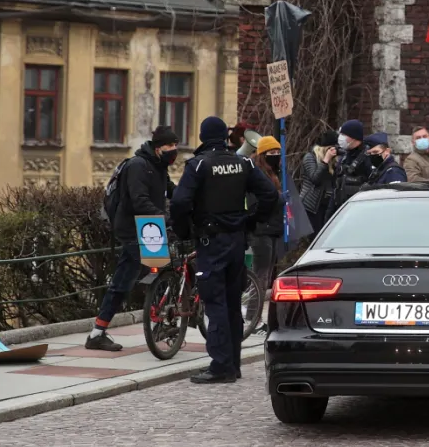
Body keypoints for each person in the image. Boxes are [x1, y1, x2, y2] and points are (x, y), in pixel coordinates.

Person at [170, 116, 280, 384]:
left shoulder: (198, 165)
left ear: (202, 137)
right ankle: (233, 364)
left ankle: (220, 366)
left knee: (215, 302)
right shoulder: (243, 163)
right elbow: (270, 194)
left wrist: (184, 231)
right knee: (232, 303)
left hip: (211, 242)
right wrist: (251, 220)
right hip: (237, 241)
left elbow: (180, 202)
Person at [87, 126, 181, 351]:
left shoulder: (158, 166)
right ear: (158, 148)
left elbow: (172, 191)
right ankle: (97, 333)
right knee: (126, 279)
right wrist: (166, 218)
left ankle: (158, 325)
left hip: (149, 227)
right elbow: (139, 201)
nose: (174, 150)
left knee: (159, 273)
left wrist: (191, 200)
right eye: (170, 146)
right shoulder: (138, 166)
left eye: (176, 145)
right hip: (132, 229)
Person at [249, 136, 285, 304]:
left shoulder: (276, 173)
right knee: (260, 277)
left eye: (278, 152)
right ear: (263, 154)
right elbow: (259, 201)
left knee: (267, 276)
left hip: (273, 229)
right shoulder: (257, 175)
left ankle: (255, 314)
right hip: (261, 230)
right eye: (271, 152)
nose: (275, 155)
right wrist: (278, 198)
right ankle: (252, 314)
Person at [328, 119, 374, 214]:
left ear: (354, 137)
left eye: (344, 135)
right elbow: (336, 186)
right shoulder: (344, 157)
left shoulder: (367, 158)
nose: (341, 137)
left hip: (359, 211)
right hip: (340, 209)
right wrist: (329, 214)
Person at [298, 130, 338, 232]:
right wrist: (325, 161)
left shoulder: (334, 160)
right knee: (316, 235)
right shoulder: (310, 157)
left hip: (327, 204)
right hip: (311, 205)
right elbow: (315, 179)